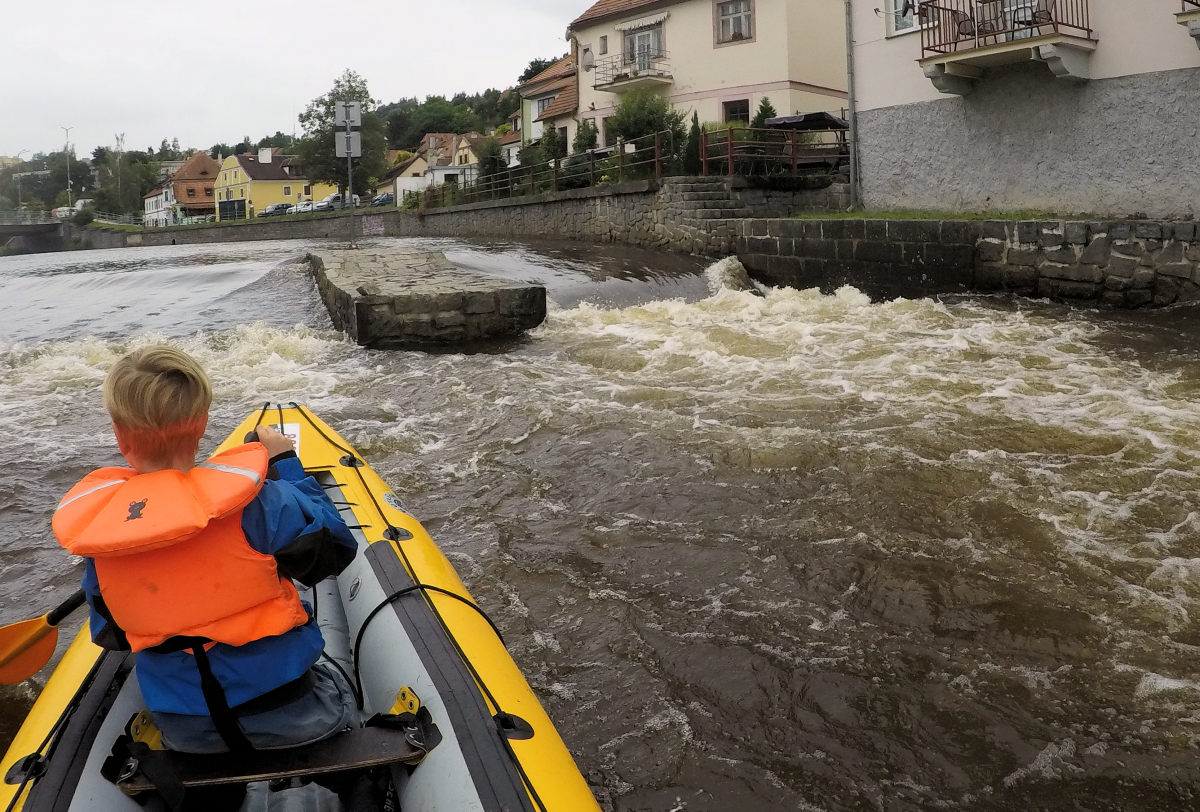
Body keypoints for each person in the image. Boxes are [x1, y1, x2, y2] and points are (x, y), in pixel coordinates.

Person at [52, 345, 366, 805]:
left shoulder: (102, 540)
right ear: (201, 425)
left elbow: (113, 636)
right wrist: (284, 466)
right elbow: (334, 551)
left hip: (186, 730)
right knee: (341, 682)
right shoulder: (259, 502)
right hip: (296, 713)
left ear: (120, 435)